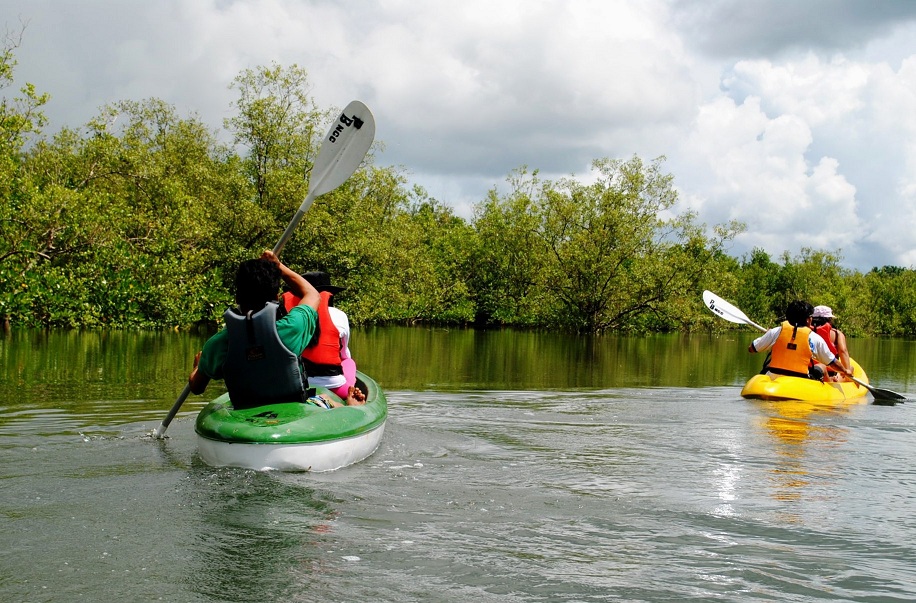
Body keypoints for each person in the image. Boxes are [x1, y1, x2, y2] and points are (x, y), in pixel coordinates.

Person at [189, 251, 365, 409]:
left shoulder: (217, 344)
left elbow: (196, 387)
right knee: (327, 399)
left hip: (244, 409)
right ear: (275, 297)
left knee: (325, 396)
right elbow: (312, 295)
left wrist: (198, 367)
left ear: (237, 296)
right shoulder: (291, 327)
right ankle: (351, 408)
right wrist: (278, 266)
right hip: (293, 407)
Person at [281, 271, 358, 400]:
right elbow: (344, 355)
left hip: (298, 384)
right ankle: (350, 393)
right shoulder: (339, 315)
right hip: (336, 388)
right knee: (349, 361)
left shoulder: (291, 317)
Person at [748, 300, 853, 381]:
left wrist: (769, 337)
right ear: (808, 320)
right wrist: (845, 370)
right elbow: (832, 363)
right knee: (821, 366)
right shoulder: (815, 338)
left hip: (773, 376)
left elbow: (752, 349)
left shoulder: (775, 332)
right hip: (800, 379)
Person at [811, 305, 851, 382]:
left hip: (808, 371)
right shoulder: (837, 334)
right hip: (830, 373)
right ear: (829, 319)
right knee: (851, 368)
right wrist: (847, 371)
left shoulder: (806, 331)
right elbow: (843, 351)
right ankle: (835, 379)